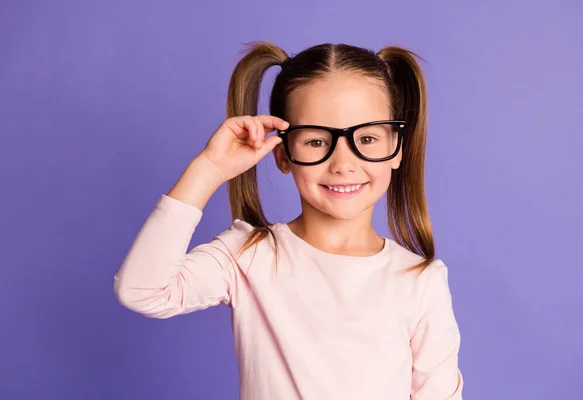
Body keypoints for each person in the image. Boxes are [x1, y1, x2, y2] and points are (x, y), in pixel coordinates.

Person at [114, 41, 464, 400]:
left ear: (397, 148)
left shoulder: (421, 281)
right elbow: (143, 291)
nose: (343, 164)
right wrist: (210, 169)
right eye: (316, 141)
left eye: (368, 138)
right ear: (282, 154)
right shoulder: (248, 256)